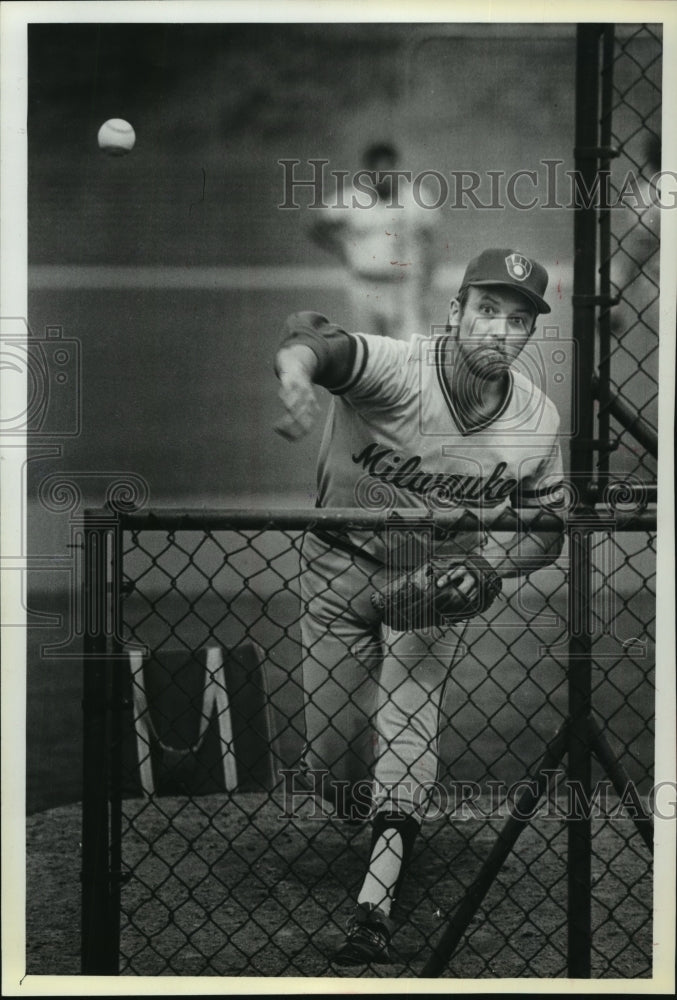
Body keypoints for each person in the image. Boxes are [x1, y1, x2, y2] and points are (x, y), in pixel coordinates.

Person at [274, 248, 565, 966]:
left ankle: (372, 909)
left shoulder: (535, 418)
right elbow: (321, 342)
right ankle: (359, 804)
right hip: (338, 570)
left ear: (530, 334)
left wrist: (487, 569)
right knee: (334, 770)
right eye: (487, 310)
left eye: (517, 319)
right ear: (454, 312)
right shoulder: (399, 368)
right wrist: (295, 374)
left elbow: (547, 529)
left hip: (432, 582)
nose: (499, 330)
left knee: (408, 719)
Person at [308, 141, 439, 340]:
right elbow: (315, 224)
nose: (384, 177)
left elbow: (431, 244)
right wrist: (340, 249)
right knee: (370, 352)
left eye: (389, 170)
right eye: (377, 171)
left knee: (411, 349)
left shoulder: (416, 197)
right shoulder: (351, 198)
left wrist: (426, 289)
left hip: (403, 287)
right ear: (368, 173)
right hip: (365, 285)